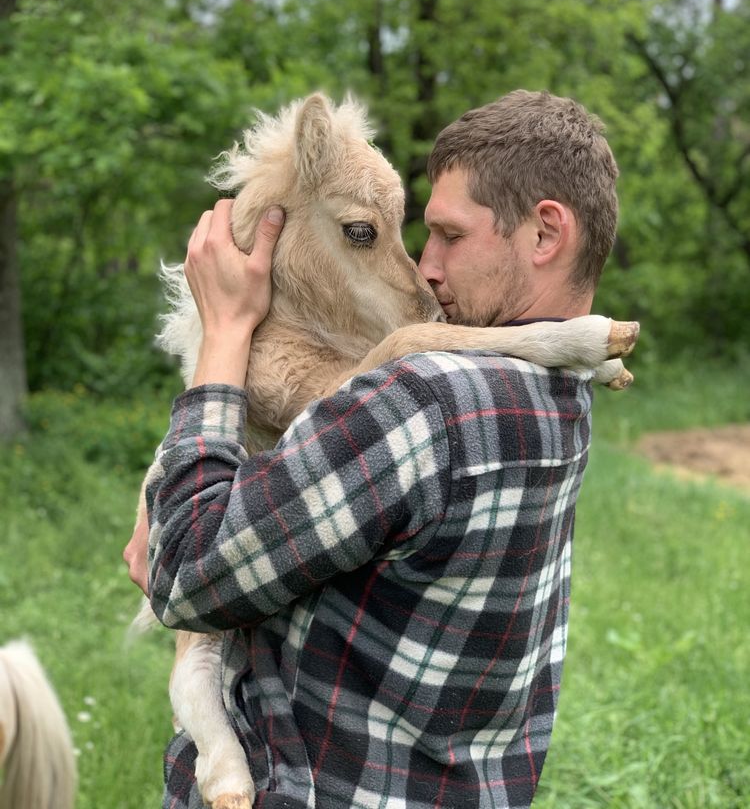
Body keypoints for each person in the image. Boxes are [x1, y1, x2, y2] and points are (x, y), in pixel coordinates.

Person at [124, 89, 620, 809]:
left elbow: (177, 573)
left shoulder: (421, 405)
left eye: (450, 237)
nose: (426, 267)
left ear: (545, 234)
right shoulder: (560, 390)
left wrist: (227, 331)